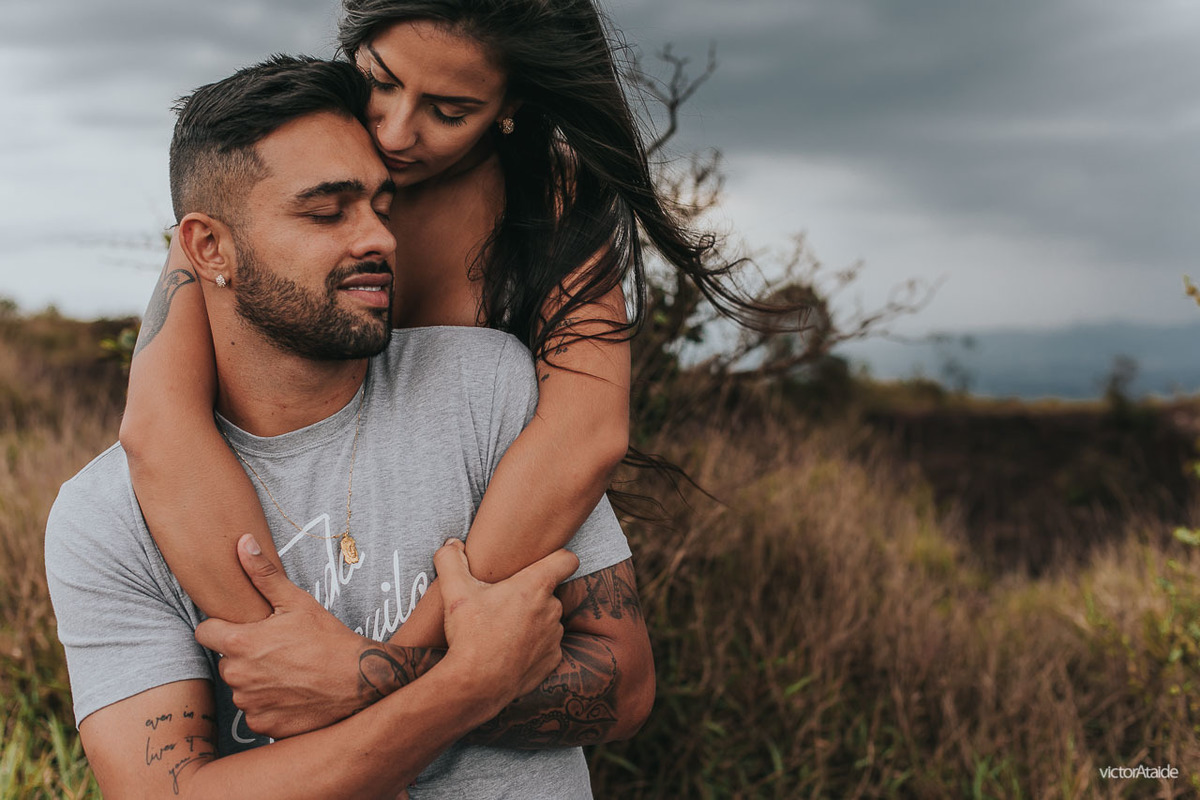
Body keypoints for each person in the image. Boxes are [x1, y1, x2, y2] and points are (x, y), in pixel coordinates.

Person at [45, 55, 653, 799]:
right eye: (327, 212)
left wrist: (369, 681)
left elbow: (625, 688)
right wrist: (466, 685)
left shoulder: (486, 387)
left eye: (381, 207)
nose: (381, 239)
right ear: (208, 248)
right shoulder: (107, 516)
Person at [119, 0, 796, 643]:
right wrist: (284, 649)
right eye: (380, 81)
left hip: (478, 563)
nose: (393, 132)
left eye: (449, 111)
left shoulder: (548, 202)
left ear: (510, 106)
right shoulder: (271, 183)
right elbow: (158, 427)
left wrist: (387, 665)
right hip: (286, 535)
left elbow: (585, 436)